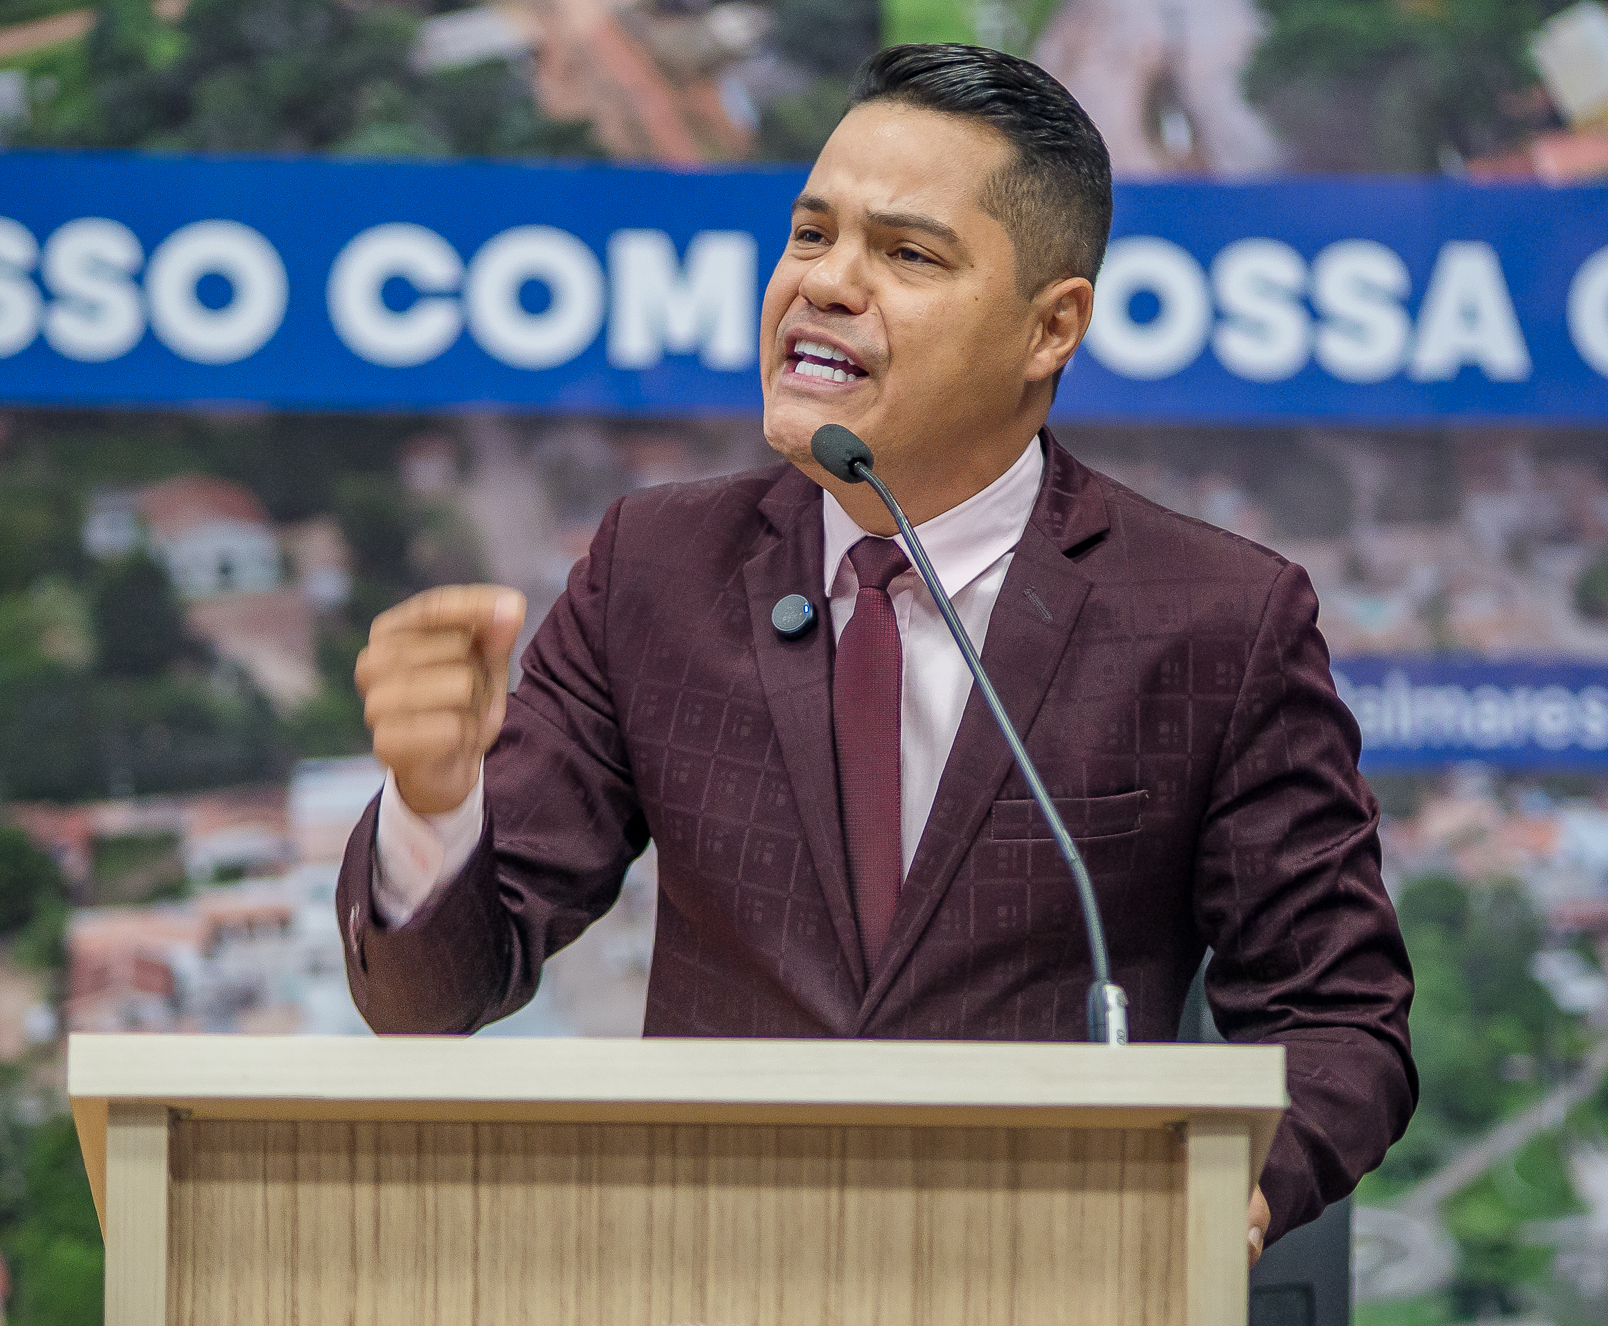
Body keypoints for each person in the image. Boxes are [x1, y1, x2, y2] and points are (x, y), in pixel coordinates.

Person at [341, 42, 1414, 1258]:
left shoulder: (1213, 617)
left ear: (1050, 327)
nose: (826, 283)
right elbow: (433, 997)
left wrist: (1227, 1202)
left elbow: (1336, 1019)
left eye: (906, 254)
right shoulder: (654, 569)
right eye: (810, 234)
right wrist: (434, 805)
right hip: (710, 1294)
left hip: (1050, 1285)